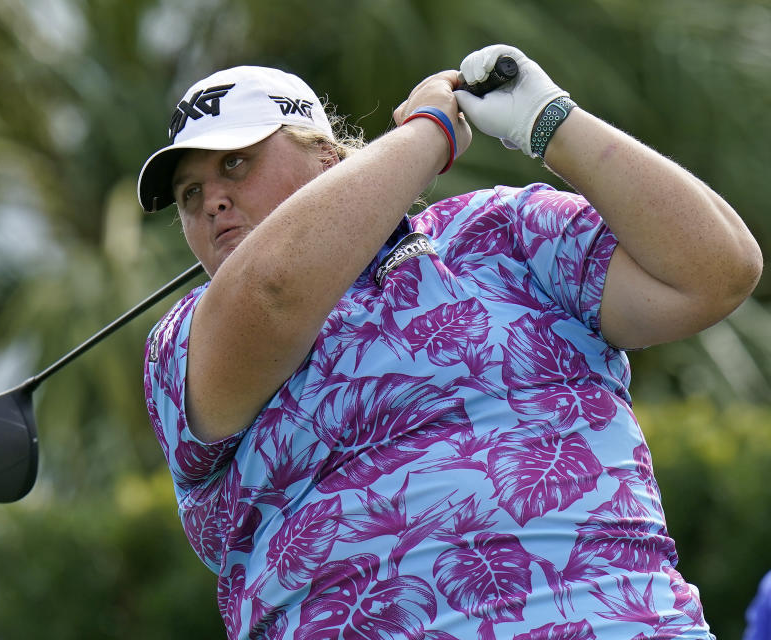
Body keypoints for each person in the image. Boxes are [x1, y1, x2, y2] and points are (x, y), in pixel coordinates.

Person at [137, 44, 762, 639]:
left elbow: (717, 271)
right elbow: (271, 290)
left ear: (327, 159)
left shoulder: (498, 229)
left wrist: (553, 121)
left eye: (236, 164)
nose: (213, 201)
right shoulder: (184, 344)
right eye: (190, 195)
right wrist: (427, 132)